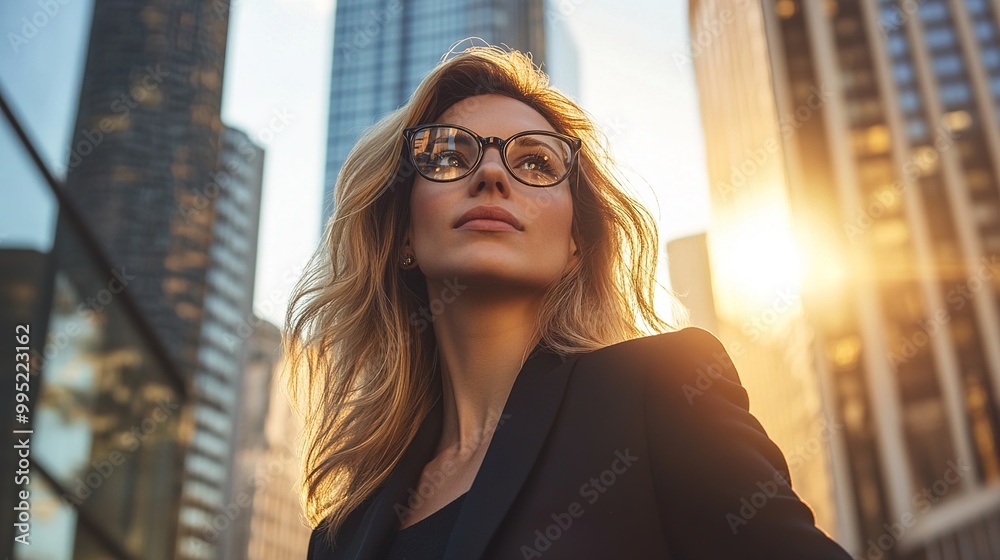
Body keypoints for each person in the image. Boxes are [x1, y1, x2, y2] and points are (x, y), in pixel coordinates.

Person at [288, 46, 852, 560]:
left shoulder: (662, 392)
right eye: (448, 155)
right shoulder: (341, 533)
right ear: (405, 233)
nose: (490, 173)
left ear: (578, 243)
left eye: (535, 162)